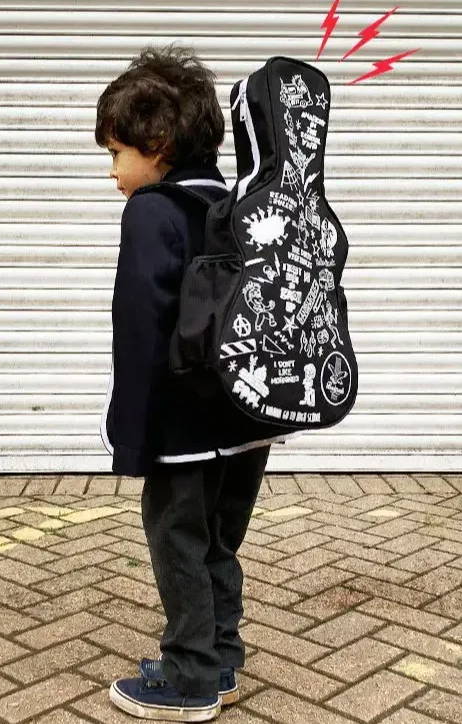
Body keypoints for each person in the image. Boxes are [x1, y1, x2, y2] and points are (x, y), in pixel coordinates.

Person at [95, 42, 275, 722]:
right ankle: (220, 657)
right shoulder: (239, 204)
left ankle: (190, 678)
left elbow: (140, 326)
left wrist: (131, 434)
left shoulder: (152, 211)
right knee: (220, 541)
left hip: (184, 426)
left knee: (178, 541)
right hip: (248, 418)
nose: (113, 172)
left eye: (117, 153)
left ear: (158, 142)